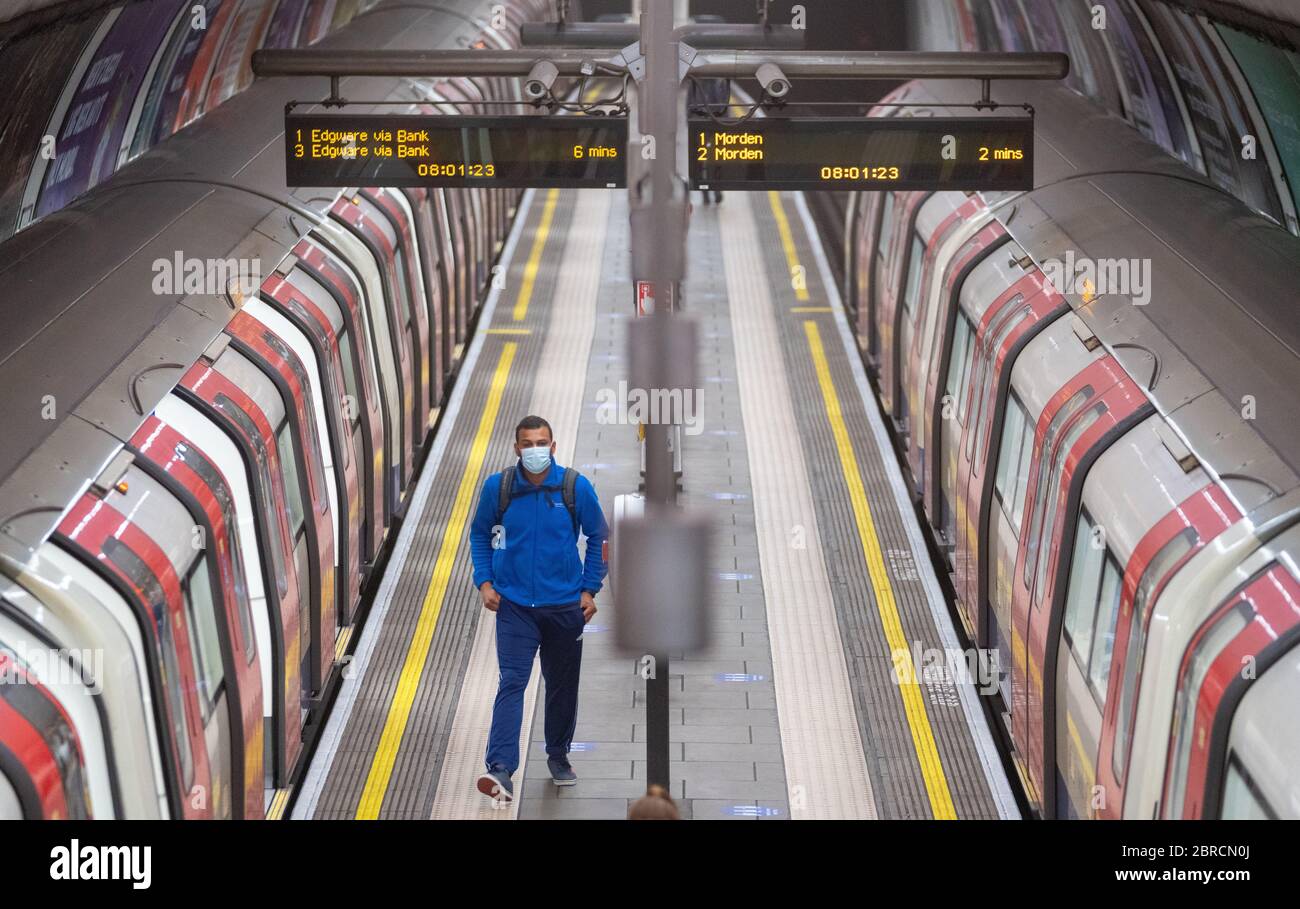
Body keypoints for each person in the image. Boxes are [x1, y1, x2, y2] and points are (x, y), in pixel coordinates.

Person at [469, 415, 609, 803]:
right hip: (515, 608)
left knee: (561, 685)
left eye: (541, 442)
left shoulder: (573, 487)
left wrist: (590, 589)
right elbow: (480, 533)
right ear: (517, 449)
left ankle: (558, 754)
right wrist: (484, 581)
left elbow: (600, 536)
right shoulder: (498, 488)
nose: (535, 450)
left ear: (553, 445)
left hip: (565, 607)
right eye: (527, 443)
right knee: (512, 682)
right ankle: (500, 769)